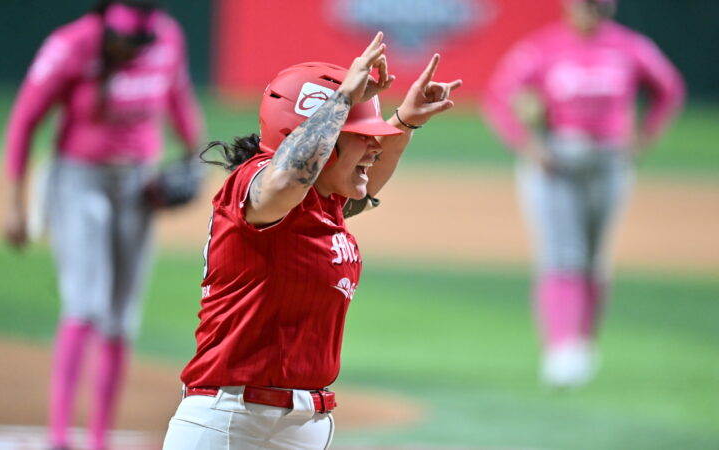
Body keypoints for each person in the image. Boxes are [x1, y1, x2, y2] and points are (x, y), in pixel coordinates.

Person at [161, 32, 461, 449]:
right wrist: (340, 102)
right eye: (360, 134)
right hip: (231, 425)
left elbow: (363, 177)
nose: (376, 145)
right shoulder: (255, 184)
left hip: (303, 427)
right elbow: (287, 178)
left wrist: (404, 122)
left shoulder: (322, 204)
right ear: (308, 134)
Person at [2, 1, 203, 448]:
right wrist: (15, 202)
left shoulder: (168, 36)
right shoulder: (70, 45)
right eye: (126, 41)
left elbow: (178, 98)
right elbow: (24, 119)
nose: (134, 49)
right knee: (86, 304)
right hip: (79, 179)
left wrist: (194, 156)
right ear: (106, 27)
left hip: (138, 182)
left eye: (139, 41)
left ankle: (98, 438)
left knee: (121, 318)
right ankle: (59, 435)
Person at [483, 0, 683, 388]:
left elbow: (669, 89)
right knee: (562, 253)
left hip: (609, 163)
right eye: (586, 4)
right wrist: (527, 144)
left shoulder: (630, 47)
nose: (593, 11)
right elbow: (499, 96)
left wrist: (646, 136)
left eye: (600, 5)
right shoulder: (543, 48)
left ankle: (585, 345)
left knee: (595, 257)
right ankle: (560, 349)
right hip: (556, 162)